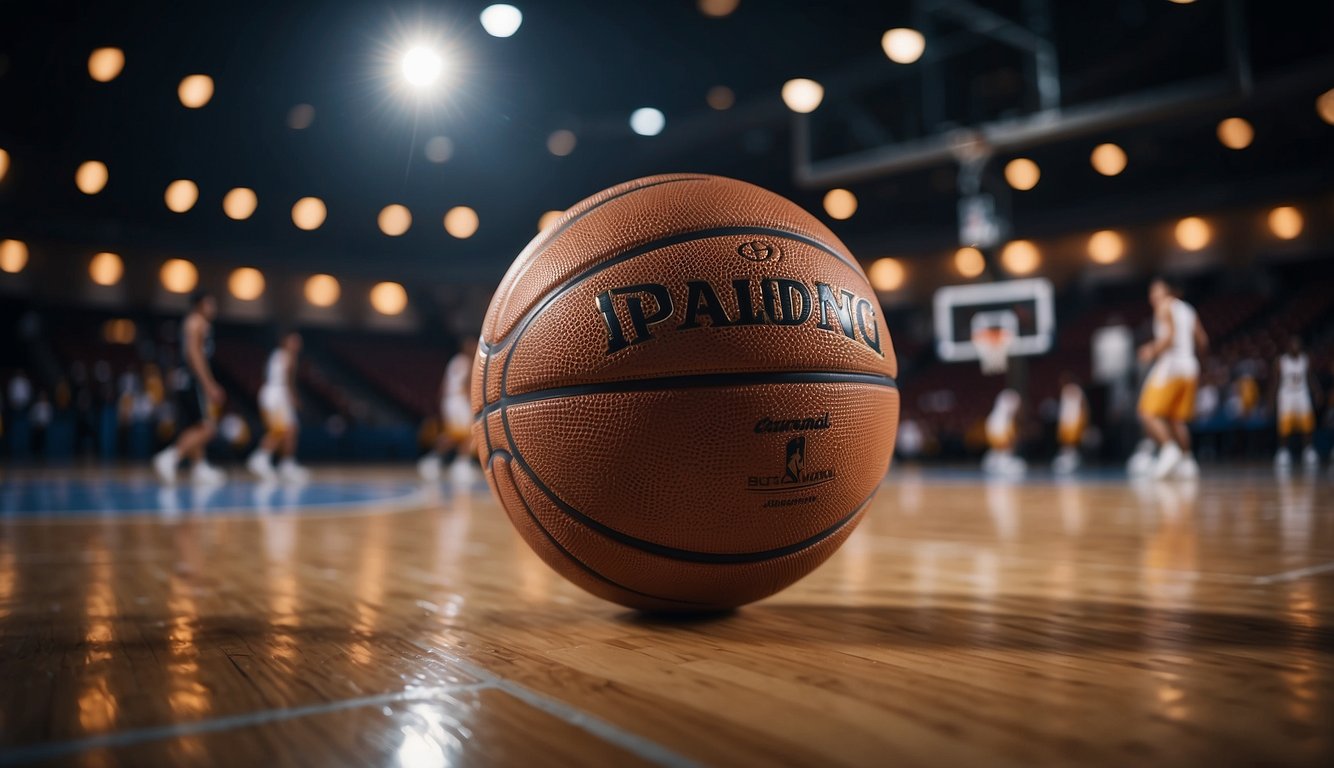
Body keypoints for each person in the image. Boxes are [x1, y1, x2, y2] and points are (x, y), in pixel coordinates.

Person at [1129, 277, 1208, 480]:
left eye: (1156, 291)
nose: (1152, 296)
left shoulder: (1164, 307)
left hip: (1171, 366)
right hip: (1190, 367)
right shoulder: (1188, 310)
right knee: (1175, 418)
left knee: (1146, 412)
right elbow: (1203, 341)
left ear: (1169, 292)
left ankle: (1168, 449)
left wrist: (1151, 349)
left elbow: (1169, 337)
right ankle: (1187, 461)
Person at [153, 291, 226, 484]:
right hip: (193, 379)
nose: (213, 308)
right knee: (208, 428)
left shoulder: (193, 322)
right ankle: (170, 457)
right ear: (200, 304)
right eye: (210, 304)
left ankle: (199, 466)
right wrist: (209, 384)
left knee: (197, 425)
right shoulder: (197, 322)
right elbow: (194, 355)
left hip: (185, 378)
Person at [248, 331, 310, 482]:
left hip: (278, 394)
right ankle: (259, 459)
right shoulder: (287, 356)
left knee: (292, 429)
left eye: (298, 341)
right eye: (293, 340)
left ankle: (286, 464)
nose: (297, 344)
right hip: (276, 395)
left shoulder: (277, 355)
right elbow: (288, 381)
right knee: (279, 430)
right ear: (285, 341)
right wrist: (293, 397)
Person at [418, 337, 478, 481]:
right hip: (460, 400)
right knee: (469, 433)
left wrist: (442, 403)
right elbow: (467, 385)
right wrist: (472, 403)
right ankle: (462, 465)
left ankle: (432, 459)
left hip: (449, 401)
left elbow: (444, 385)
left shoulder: (455, 361)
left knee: (454, 434)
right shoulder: (469, 362)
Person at [1272, 336, 1320, 470]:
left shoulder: (1305, 360)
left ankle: (1308, 451)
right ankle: (1283, 452)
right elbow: (1274, 382)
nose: (1295, 347)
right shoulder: (1281, 361)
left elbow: (1310, 377)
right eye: (1292, 344)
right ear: (1288, 346)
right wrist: (1271, 400)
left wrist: (1317, 391)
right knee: (1284, 426)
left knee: (1307, 424)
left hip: (1301, 393)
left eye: (1297, 344)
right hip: (1286, 394)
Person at [983, 389, 1025, 477]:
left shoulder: (1005, 418)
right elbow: (1003, 443)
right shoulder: (999, 419)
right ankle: (998, 462)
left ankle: (998, 461)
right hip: (1001, 456)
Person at [1052, 374, 1087, 475]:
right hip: (1067, 422)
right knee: (1066, 443)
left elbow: (1082, 407)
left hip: (1074, 421)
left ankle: (1072, 460)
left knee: (1072, 443)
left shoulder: (1076, 390)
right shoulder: (1065, 391)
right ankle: (1068, 459)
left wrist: (1082, 422)